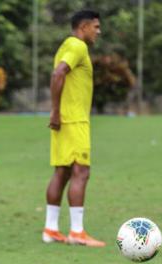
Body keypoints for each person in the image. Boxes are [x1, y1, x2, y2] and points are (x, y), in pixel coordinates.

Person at [42, 10, 106, 248]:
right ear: (84, 27)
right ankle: (77, 232)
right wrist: (56, 110)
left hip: (65, 120)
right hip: (74, 120)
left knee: (63, 172)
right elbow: (58, 73)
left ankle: (51, 229)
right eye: (96, 27)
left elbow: (58, 73)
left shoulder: (67, 45)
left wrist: (57, 112)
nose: (98, 32)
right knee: (82, 172)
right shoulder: (78, 46)